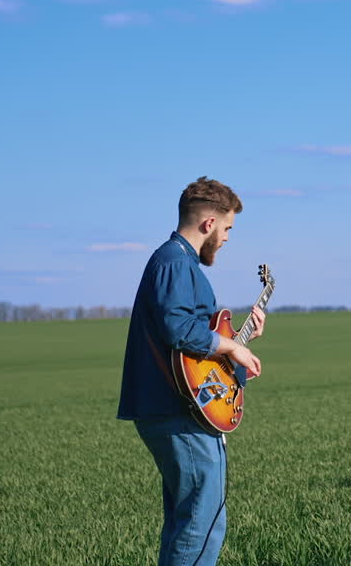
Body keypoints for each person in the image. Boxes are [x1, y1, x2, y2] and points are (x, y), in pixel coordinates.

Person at [117, 176, 267, 566]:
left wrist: (237, 340)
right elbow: (178, 329)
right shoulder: (174, 261)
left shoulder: (177, 263)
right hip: (176, 412)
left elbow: (191, 343)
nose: (228, 238)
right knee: (203, 522)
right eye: (228, 228)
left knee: (187, 522)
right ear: (208, 224)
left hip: (177, 409)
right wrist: (232, 345)